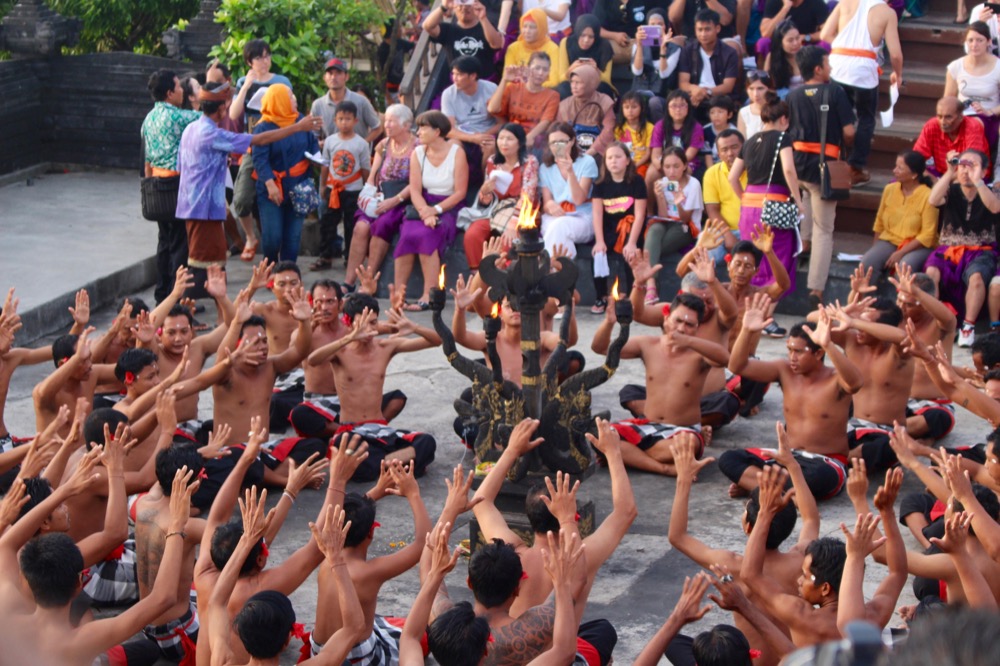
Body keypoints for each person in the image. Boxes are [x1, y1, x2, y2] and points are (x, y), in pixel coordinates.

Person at [0, 461, 197, 665]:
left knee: (146, 651)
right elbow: (163, 598)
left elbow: (6, 545)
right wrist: (176, 524)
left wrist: (62, 492)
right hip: (81, 656)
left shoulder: (7, 615)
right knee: (145, 651)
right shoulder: (80, 641)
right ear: (79, 584)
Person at [667, 428, 818, 666]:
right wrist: (793, 466)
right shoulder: (801, 562)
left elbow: (678, 537)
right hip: (789, 660)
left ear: (748, 527)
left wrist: (684, 479)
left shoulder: (732, 565)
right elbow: (811, 519)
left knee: (673, 641)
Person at [739, 466, 906, 648]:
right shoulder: (873, 616)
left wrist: (765, 513)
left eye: (805, 575)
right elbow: (897, 573)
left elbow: (750, 574)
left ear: (825, 588)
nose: (799, 580)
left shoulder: (802, 617)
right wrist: (887, 513)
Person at [178, 82, 321, 292]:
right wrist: (297, 128)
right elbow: (258, 141)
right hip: (204, 206)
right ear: (221, 108)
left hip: (194, 203)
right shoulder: (212, 133)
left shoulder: (191, 128)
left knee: (208, 257)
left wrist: (218, 162)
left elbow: (181, 165)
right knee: (204, 261)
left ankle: (203, 302)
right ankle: (191, 302)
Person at [719, 294, 863, 499]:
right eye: (789, 350)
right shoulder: (784, 369)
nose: (792, 357)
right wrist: (747, 330)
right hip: (788, 458)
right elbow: (736, 366)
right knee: (729, 459)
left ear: (818, 353)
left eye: (799, 352)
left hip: (825, 463)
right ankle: (781, 493)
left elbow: (856, 383)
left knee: (817, 478)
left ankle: (760, 486)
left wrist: (829, 344)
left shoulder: (836, 379)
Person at [593, 293, 731, 475]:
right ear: (666, 319)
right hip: (647, 425)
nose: (681, 328)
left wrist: (689, 341)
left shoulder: (700, 353)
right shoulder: (648, 344)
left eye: (689, 325)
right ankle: (664, 468)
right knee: (600, 436)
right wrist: (609, 323)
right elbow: (600, 348)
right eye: (678, 321)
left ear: (697, 328)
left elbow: (725, 359)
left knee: (687, 446)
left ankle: (627, 455)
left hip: (683, 431)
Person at [306, 294, 439, 481]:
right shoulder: (341, 351)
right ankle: (399, 463)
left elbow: (438, 340)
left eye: (374, 323)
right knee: (346, 448)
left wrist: (415, 327)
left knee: (427, 442)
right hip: (352, 431)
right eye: (363, 324)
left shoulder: (385, 346)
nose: (369, 330)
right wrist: (348, 338)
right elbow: (313, 360)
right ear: (349, 323)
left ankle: (383, 464)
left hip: (380, 429)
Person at [787, 45, 857, 308]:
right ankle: (816, 288)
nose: (830, 68)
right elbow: (849, 132)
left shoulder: (792, 95)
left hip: (797, 165)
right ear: (818, 69)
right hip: (824, 167)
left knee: (805, 198)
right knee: (824, 229)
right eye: (827, 63)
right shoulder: (835, 91)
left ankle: (803, 245)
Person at [729, 94, 802, 317]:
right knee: (778, 260)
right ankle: (764, 314)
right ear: (784, 119)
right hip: (774, 206)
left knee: (753, 258)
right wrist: (798, 200)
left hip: (748, 207)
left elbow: (733, 177)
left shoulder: (750, 141)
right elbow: (788, 169)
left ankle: (746, 310)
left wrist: (745, 198)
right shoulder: (783, 138)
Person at [821, 0, 904, 186]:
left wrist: (845, 48)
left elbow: (825, 34)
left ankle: (832, 162)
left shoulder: (845, 2)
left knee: (837, 116)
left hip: (838, 65)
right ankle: (855, 168)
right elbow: (895, 54)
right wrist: (898, 74)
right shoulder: (887, 13)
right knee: (866, 118)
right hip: (864, 69)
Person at [926, 149, 1000, 347]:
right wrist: (950, 172)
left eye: (972, 166)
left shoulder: (991, 191)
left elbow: (995, 207)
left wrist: (977, 181)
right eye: (962, 165)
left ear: (984, 171)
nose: (966, 171)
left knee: (977, 278)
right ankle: (932, 322)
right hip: (949, 249)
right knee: (932, 272)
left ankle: (968, 327)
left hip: (980, 250)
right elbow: (933, 200)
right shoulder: (951, 190)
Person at [395, 111, 468, 311]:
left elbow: (460, 192)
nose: (418, 132)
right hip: (423, 204)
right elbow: (415, 190)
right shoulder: (418, 153)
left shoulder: (457, 153)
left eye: (423, 127)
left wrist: (434, 211)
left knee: (428, 234)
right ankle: (398, 294)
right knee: (408, 234)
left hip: (448, 206)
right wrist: (424, 211)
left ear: (437, 131)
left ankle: (429, 293)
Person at [229, 39, 294, 263]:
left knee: (278, 199)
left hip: (278, 145)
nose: (264, 61)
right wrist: (245, 86)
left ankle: (277, 252)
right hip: (253, 146)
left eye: (267, 56)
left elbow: (290, 110)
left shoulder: (282, 81)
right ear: (249, 62)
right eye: (259, 57)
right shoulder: (243, 82)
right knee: (241, 199)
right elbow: (233, 114)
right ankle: (250, 237)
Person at [141, 69, 200, 304]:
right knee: (179, 246)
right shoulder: (176, 116)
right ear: (169, 93)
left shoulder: (148, 118)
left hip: (156, 186)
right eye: (178, 87)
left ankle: (161, 296)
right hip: (175, 186)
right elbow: (206, 119)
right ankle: (176, 302)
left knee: (164, 242)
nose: (182, 90)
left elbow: (145, 159)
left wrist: (148, 183)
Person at [345, 104, 417, 293]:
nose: (387, 125)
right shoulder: (384, 145)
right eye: (387, 121)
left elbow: (417, 183)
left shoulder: (418, 147)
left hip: (403, 198)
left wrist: (394, 201)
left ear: (406, 125)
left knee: (382, 224)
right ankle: (349, 282)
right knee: (361, 227)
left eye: (392, 121)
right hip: (381, 195)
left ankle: (368, 281)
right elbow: (373, 175)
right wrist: (370, 193)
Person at [252, 84, 321, 263]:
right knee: (272, 238)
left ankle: (289, 272)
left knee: (293, 238)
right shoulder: (262, 128)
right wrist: (270, 184)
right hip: (272, 189)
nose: (294, 99)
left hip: (299, 186)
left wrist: (317, 157)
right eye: (290, 96)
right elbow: (259, 159)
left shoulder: (301, 120)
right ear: (279, 101)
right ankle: (269, 269)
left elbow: (312, 143)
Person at [460, 122, 540, 272]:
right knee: (472, 234)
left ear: (520, 142)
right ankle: (478, 276)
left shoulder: (529, 162)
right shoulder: (492, 161)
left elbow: (527, 197)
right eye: (501, 138)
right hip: (496, 210)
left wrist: (513, 224)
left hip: (522, 212)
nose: (504, 143)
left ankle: (502, 278)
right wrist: (485, 192)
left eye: (509, 139)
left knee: (508, 240)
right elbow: (486, 201)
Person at [859, 151, 939, 282]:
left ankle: (903, 296)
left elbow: (928, 236)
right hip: (890, 241)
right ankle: (865, 294)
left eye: (900, 168)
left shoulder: (928, 196)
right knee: (867, 263)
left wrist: (901, 253)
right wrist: (875, 249)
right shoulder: (889, 189)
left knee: (904, 267)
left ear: (914, 175)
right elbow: (879, 222)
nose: (894, 170)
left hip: (918, 246)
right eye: (895, 166)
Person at [314, 100, 372, 272]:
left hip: (353, 190)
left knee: (350, 224)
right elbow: (325, 165)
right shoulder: (330, 141)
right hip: (333, 189)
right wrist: (323, 185)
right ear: (335, 120)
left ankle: (350, 257)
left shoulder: (361, 143)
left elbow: (365, 168)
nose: (344, 123)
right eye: (340, 119)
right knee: (327, 223)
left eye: (348, 119)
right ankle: (325, 256)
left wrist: (367, 190)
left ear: (355, 121)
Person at [644, 147, 705, 304]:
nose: (671, 171)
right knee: (654, 229)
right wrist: (660, 197)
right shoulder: (664, 183)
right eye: (667, 167)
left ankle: (650, 284)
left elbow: (685, 219)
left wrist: (678, 200)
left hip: (686, 227)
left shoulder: (693, 185)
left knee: (651, 248)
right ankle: (651, 285)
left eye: (676, 166)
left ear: (685, 166)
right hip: (668, 223)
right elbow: (663, 216)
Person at [592, 142, 648, 312]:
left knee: (631, 254)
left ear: (627, 161)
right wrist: (599, 241)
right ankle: (601, 296)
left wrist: (632, 242)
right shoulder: (600, 184)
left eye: (618, 157)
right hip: (609, 227)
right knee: (598, 254)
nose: (613, 161)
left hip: (630, 227)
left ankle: (631, 297)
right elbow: (597, 214)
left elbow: (640, 215)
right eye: (609, 158)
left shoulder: (637, 181)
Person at [538, 122, 599, 259]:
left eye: (562, 142)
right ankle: (563, 269)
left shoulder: (587, 162)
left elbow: (579, 199)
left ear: (572, 141)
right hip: (556, 216)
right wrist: (550, 205)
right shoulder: (545, 168)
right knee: (556, 228)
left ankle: (549, 267)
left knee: (559, 227)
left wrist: (570, 172)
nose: (557, 146)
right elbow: (547, 202)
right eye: (553, 143)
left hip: (583, 216)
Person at [442, 56, 501, 196]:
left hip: (487, 131)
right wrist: (473, 138)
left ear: (473, 76)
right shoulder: (448, 94)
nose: (454, 78)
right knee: (452, 146)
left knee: (490, 146)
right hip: (463, 133)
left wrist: (483, 136)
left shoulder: (491, 88)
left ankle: (485, 186)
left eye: (459, 74)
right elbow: (448, 129)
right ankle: (457, 187)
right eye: (453, 74)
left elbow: (502, 122)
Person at [945, 22, 1000, 161]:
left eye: (979, 40)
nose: (974, 44)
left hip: (988, 117)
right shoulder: (955, 66)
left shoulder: (998, 67)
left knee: (972, 124)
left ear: (988, 42)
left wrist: (990, 111)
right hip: (961, 116)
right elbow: (947, 101)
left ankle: (971, 164)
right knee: (932, 125)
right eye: (970, 40)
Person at [677, 10, 741, 121]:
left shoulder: (729, 53)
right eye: (700, 30)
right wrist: (695, 89)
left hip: (719, 97)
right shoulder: (687, 51)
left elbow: (727, 86)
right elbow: (683, 83)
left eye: (707, 29)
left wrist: (705, 92)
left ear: (717, 28)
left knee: (719, 104)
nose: (703, 34)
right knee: (679, 105)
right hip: (694, 96)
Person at [487, 54, 561, 151]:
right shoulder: (513, 88)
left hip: (534, 137)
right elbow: (492, 108)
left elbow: (546, 121)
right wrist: (504, 80)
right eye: (537, 68)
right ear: (528, 68)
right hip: (510, 134)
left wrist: (529, 137)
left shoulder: (552, 95)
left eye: (545, 70)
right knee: (489, 145)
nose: (540, 73)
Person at [311, 56, 383, 146]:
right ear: (324, 78)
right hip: (331, 154)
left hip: (358, 154)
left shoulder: (361, 101)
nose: (333, 77)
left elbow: (377, 128)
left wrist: (362, 144)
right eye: (330, 73)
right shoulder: (318, 105)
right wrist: (321, 144)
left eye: (338, 73)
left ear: (346, 77)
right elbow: (314, 135)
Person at [915, 96, 991, 179]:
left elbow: (972, 165)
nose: (943, 122)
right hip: (941, 175)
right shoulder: (931, 125)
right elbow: (915, 160)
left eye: (948, 117)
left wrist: (943, 182)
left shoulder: (972, 127)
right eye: (939, 116)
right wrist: (935, 182)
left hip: (970, 176)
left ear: (961, 117)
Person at [555, 62, 616, 157]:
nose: (574, 86)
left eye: (578, 82)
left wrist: (591, 151)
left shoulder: (604, 102)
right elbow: (558, 132)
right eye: (572, 82)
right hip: (570, 153)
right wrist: (561, 156)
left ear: (590, 83)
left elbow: (609, 130)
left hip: (597, 153)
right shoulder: (565, 105)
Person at [423, 0, 504, 71]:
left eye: (468, 4)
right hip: (459, 80)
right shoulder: (448, 30)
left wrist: (483, 18)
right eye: (460, 4)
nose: (464, 8)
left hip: (484, 79)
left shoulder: (486, 26)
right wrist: (443, 7)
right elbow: (427, 26)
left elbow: (497, 44)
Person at [630, 10, 679, 121]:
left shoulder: (674, 49)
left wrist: (663, 48)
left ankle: (660, 129)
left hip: (662, 94)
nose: (656, 27)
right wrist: (639, 46)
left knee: (654, 102)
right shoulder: (638, 46)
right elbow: (637, 71)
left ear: (665, 27)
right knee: (632, 101)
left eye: (660, 24)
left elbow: (664, 73)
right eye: (652, 24)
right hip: (640, 90)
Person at [703, 128, 746, 252]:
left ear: (745, 148)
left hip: (752, 230)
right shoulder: (711, 173)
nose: (730, 153)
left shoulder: (756, 170)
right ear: (718, 154)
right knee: (705, 252)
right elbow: (712, 210)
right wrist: (727, 235)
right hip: (724, 230)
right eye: (724, 150)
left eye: (734, 147)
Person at [555, 14, 616, 97]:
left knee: (603, 88)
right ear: (577, 32)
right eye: (583, 35)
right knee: (563, 88)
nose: (586, 40)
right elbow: (561, 78)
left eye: (591, 37)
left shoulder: (604, 45)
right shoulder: (566, 43)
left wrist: (596, 71)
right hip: (573, 84)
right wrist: (571, 69)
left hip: (594, 84)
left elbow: (607, 80)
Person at [504, 9, 560, 88]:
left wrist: (530, 86)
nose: (527, 31)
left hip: (544, 92)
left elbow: (555, 82)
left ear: (541, 29)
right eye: (524, 26)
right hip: (517, 92)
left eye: (532, 27)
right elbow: (507, 81)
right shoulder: (513, 48)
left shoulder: (552, 48)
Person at [615, 91, 656, 177]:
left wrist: (634, 166)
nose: (630, 110)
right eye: (626, 107)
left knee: (637, 176)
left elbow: (648, 154)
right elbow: (617, 150)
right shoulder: (619, 129)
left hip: (642, 164)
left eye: (634, 107)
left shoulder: (650, 128)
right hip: (624, 164)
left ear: (642, 108)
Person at [765, 20, 805, 99]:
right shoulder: (772, 57)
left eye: (798, 38)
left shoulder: (807, 54)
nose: (796, 43)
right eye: (790, 40)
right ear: (780, 42)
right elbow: (768, 85)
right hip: (784, 98)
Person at [759, 0, 829, 44]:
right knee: (763, 43)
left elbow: (826, 32)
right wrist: (785, 7)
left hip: (805, 43)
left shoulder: (816, 2)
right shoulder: (774, 2)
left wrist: (806, 37)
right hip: (781, 43)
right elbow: (765, 33)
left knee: (825, 44)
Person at [669, 0, 738, 42]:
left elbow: (725, 20)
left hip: (720, 39)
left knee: (732, 45)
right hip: (690, 39)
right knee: (675, 43)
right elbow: (673, 18)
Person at [702, 96, 737, 170]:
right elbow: (707, 155)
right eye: (712, 112)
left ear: (729, 114)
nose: (716, 115)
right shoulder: (705, 130)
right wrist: (712, 172)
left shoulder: (735, 132)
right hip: (713, 166)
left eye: (720, 112)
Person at [738, 71, 771, 141]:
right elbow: (742, 141)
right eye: (751, 89)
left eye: (760, 88)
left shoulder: (778, 110)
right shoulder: (743, 112)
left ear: (769, 89)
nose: (756, 94)